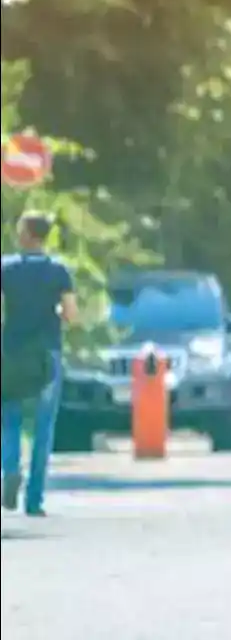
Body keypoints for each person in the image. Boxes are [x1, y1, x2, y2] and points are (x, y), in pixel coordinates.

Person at [1, 211, 78, 517]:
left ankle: (9, 470)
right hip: (47, 354)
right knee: (44, 428)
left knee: (9, 419)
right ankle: (35, 499)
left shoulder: (6, 269)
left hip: (11, 353)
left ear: (25, 234)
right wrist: (57, 311)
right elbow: (71, 315)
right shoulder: (60, 271)